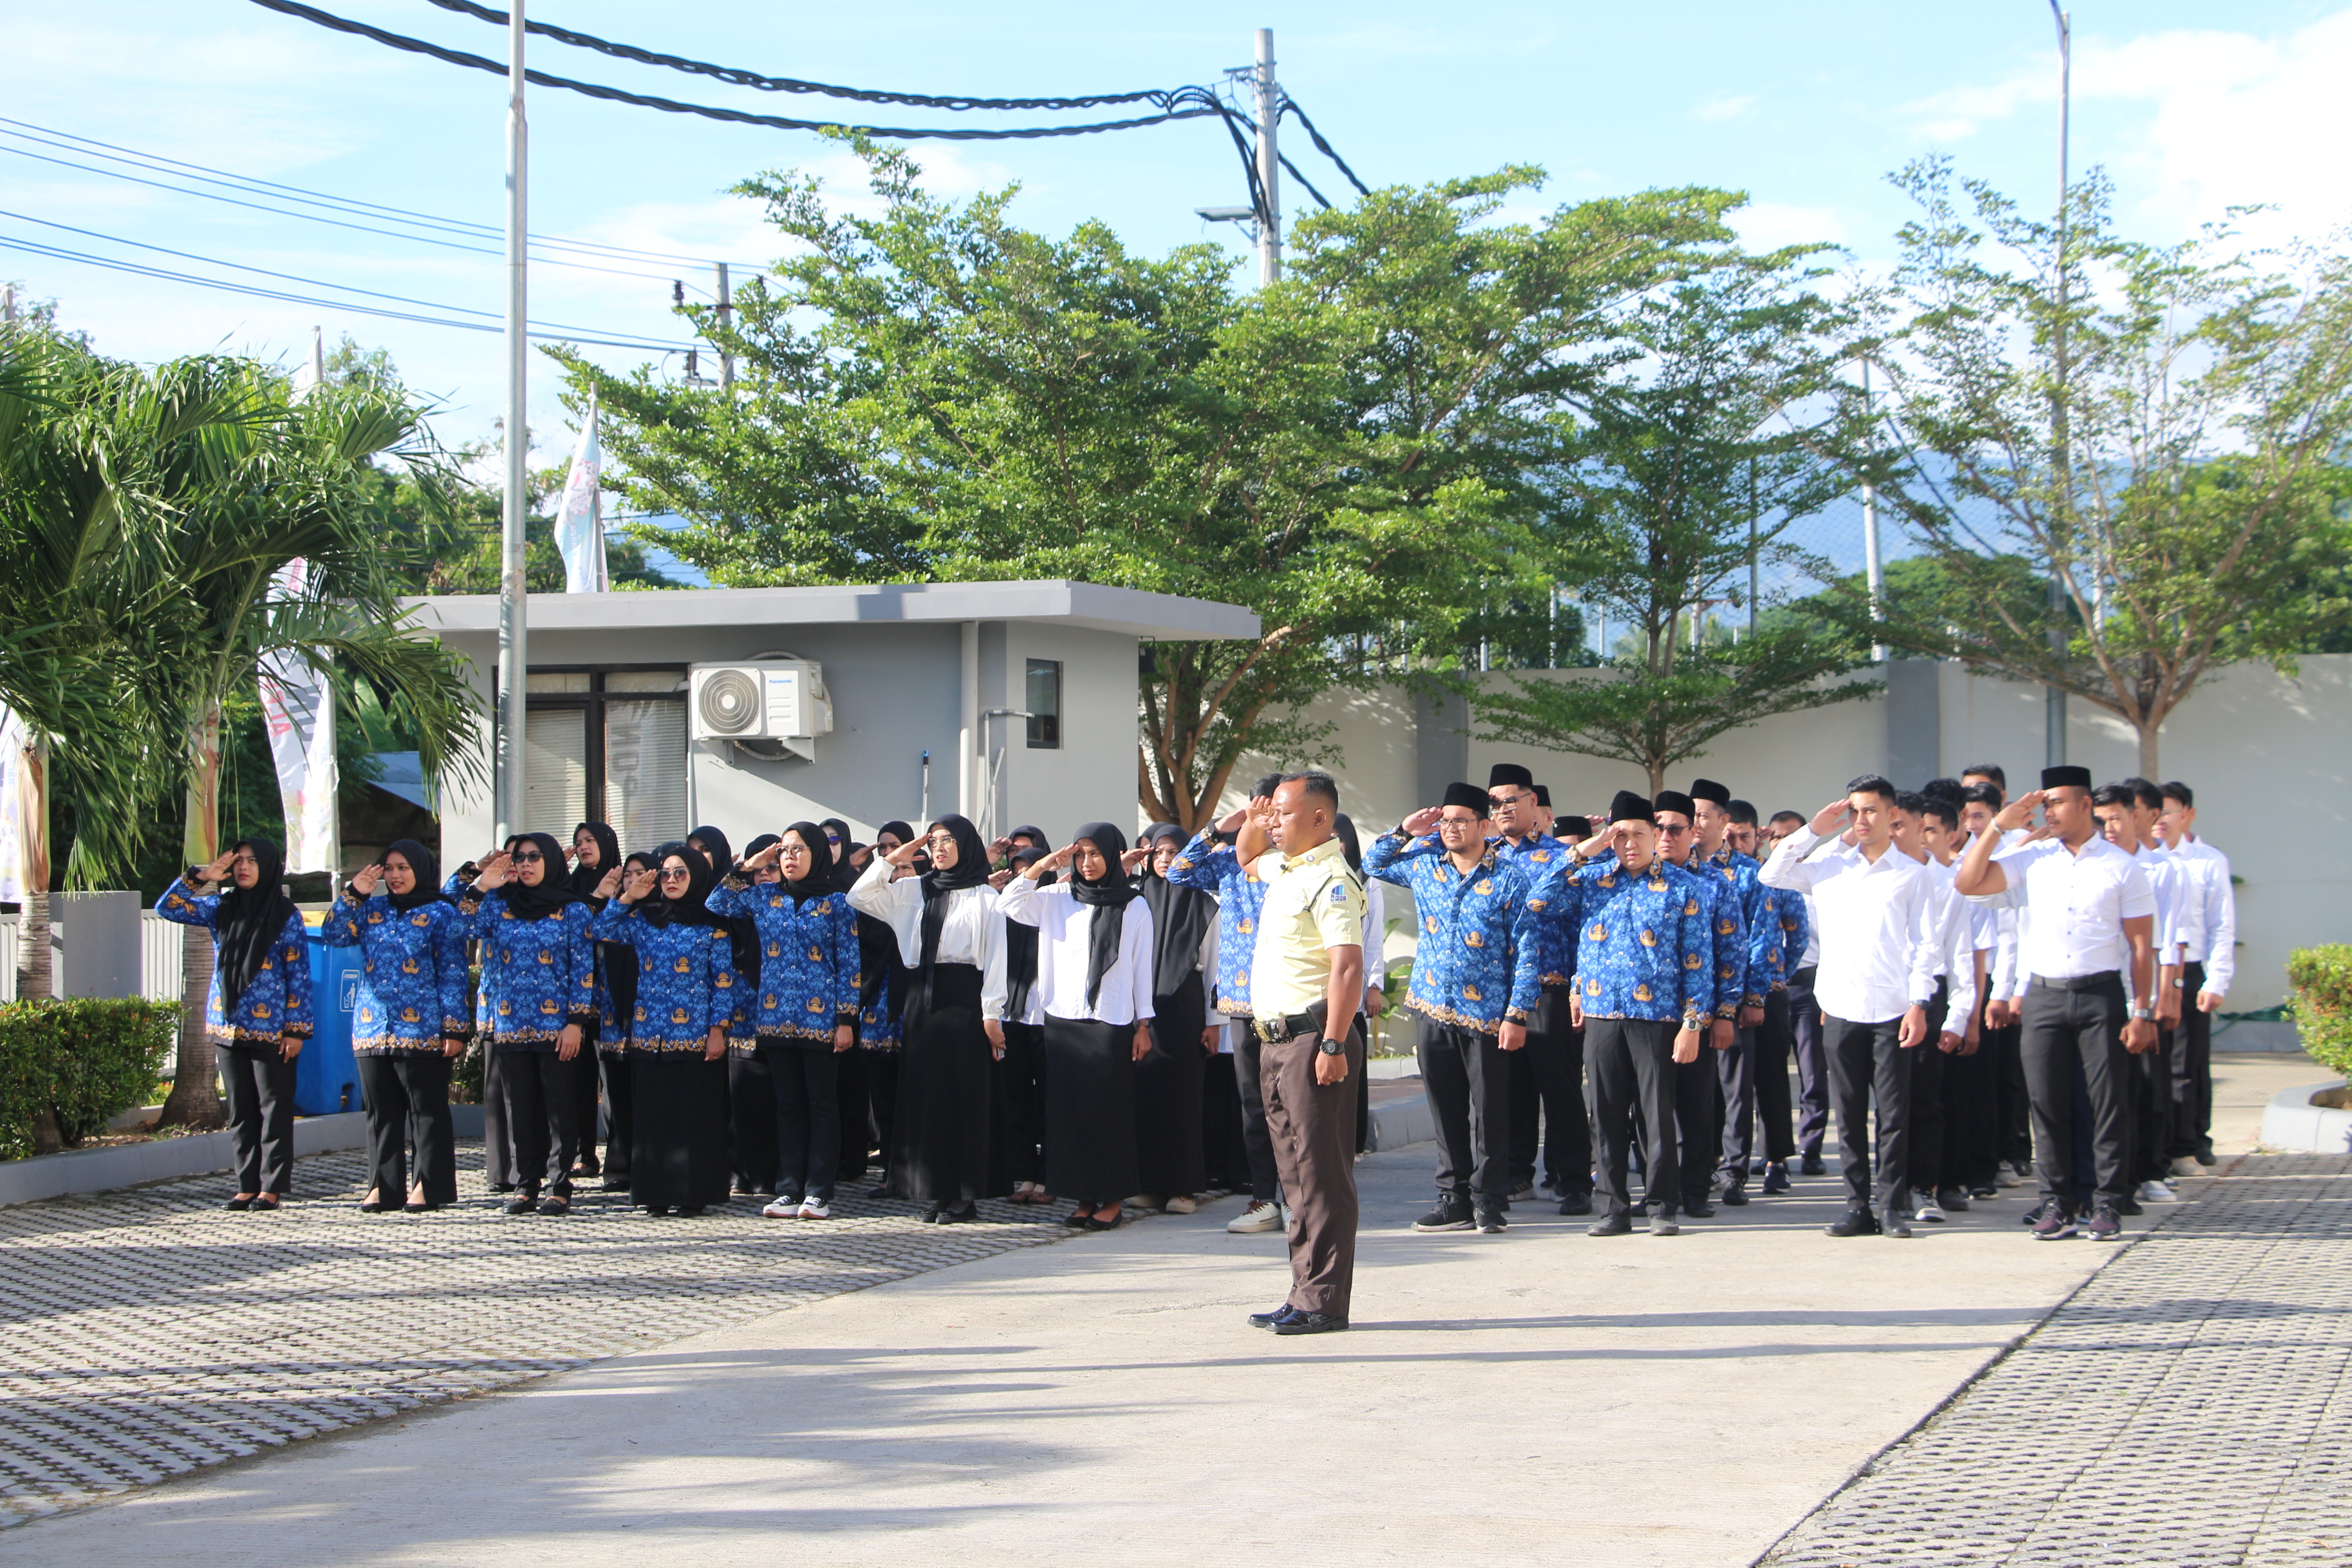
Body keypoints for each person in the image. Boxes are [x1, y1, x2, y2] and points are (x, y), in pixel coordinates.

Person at [1953, 767, 2160, 1242]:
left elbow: (2142, 946)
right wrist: (2000, 829)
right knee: (2046, 1103)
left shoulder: (2121, 865)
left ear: (2086, 806)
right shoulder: (2033, 857)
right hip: (2045, 995)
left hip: (2100, 994)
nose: (2050, 812)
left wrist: (2142, 1010)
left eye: (2059, 803)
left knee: (2106, 1104)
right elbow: (1968, 882)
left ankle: (2106, 1202)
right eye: (2046, 805)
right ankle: (2056, 1203)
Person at [1761, 778, 1939, 1239]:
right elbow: (1772, 874)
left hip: (1894, 1008)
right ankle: (1857, 1206)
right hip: (1840, 1007)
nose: (1863, 821)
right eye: (1856, 812)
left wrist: (1920, 1004)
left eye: (1872, 812)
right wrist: (1814, 831)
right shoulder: (1828, 866)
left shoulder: (1913, 874)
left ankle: (1893, 1206)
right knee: (1850, 1113)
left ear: (1892, 815)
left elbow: (1925, 946)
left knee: (1894, 1116)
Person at [1528, 791, 1710, 1237]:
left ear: (1655, 836)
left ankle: (1663, 1205)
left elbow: (1697, 963)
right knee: (1605, 1115)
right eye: (1621, 834)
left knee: (1656, 1115)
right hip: (1602, 1015)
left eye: (1640, 834)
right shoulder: (1593, 881)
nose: (1630, 843)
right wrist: (1585, 849)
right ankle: (1613, 1207)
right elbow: (1538, 899)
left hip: (1658, 1018)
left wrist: (1693, 1024)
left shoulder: (1685, 888)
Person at [1365, 782, 1540, 1236]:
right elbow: (1372, 863)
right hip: (1432, 1008)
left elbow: (1528, 949)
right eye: (1445, 821)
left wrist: (1518, 1013)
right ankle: (1453, 1197)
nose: (1450, 828)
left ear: (1484, 825)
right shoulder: (1424, 865)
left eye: (1461, 821)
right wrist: (1404, 830)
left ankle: (1490, 1199)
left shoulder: (1510, 878)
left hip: (1486, 1016)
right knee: (1445, 1111)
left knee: (1491, 1111)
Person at [1241, 771, 1367, 1336]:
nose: (1274, 825)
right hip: (1275, 1041)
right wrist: (1254, 819)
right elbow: (1247, 857)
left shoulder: (1332, 879)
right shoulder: (1289, 869)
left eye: (1284, 815)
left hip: (1314, 1040)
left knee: (1322, 1177)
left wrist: (1334, 1043)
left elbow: (1347, 967)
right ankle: (1303, 1291)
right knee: (1293, 1178)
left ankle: (1324, 1302)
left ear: (1321, 818)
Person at [851, 815, 1008, 1223]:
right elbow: (860, 896)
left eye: (948, 840)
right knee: (927, 1098)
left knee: (962, 1098)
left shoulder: (985, 898)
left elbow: (995, 960)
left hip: (964, 1003)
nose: (939, 848)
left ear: (967, 845)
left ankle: (964, 1195)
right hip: (921, 1002)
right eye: (934, 841)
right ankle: (937, 1190)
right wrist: (893, 860)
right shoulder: (913, 891)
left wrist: (992, 1014)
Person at [1000, 825, 1157, 1228]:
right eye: (1080, 854)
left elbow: (1142, 969)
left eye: (1095, 854)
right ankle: (1083, 1198)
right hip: (1064, 1020)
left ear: (1112, 854)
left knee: (1108, 1114)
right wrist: (1045, 865)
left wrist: (1144, 1024)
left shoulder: (1134, 905)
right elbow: (1010, 904)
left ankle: (1112, 1201)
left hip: (1112, 1020)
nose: (1087, 863)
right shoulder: (1056, 897)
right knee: (1068, 1116)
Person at [157, 838, 314, 1211]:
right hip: (227, 1026)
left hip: (274, 1029)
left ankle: (271, 1187)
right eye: (239, 861)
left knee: (274, 1108)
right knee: (240, 1109)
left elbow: (299, 975)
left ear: (270, 866)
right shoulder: (221, 907)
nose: (244, 867)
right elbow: (168, 907)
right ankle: (246, 1185)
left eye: (253, 861)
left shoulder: (285, 914)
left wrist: (296, 1030)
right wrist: (201, 876)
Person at [716, 825, 861, 1219]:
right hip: (776, 1018)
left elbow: (850, 964)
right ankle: (788, 1189)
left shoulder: (837, 902)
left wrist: (846, 1020)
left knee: (821, 1104)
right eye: (785, 851)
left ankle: (818, 1192)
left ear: (816, 853)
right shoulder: (766, 898)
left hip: (822, 1021)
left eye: (799, 850)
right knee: (788, 1105)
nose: (791, 857)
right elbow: (718, 903)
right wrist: (751, 866)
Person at [1165, 778, 1287, 1236]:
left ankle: (1299, 1196)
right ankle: (1264, 1198)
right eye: (1261, 813)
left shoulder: (1300, 864)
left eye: (1276, 813)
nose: (1268, 822)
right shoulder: (1229, 865)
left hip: (1291, 1000)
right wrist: (1222, 827)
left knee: (1294, 1102)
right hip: (1241, 1002)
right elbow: (1177, 870)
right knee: (1254, 1103)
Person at [324, 839, 467, 1212]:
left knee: (426, 1109)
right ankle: (382, 1187)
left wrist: (454, 1028)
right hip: (372, 1025)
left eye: (404, 868)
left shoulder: (441, 912)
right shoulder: (371, 910)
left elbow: (453, 972)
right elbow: (333, 934)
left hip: (424, 1028)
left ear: (419, 869)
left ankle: (428, 1185)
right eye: (389, 868)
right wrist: (354, 894)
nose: (396, 875)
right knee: (381, 1111)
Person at [592, 844, 736, 1215]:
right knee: (654, 1119)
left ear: (697, 877)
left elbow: (723, 982)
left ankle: (693, 1193)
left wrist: (718, 1029)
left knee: (693, 1119)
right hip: (649, 1037)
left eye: (681, 873)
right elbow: (602, 929)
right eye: (666, 874)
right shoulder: (645, 920)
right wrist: (629, 896)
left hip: (695, 1039)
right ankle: (655, 1192)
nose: (672, 881)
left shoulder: (712, 927)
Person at [459, 833, 598, 1215]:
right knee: (520, 1107)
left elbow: (583, 971)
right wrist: (481, 887)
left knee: (559, 1107)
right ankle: (527, 1184)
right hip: (510, 1025)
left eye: (535, 857)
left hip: (557, 1029)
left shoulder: (573, 910)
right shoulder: (500, 905)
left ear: (551, 861)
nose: (526, 864)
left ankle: (560, 1184)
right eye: (519, 858)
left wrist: (575, 1023)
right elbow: (460, 929)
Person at [1485, 764, 1588, 1214]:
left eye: (1510, 800)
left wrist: (1579, 985)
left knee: (1559, 1086)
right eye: (1494, 803)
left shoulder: (1562, 857)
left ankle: (1572, 1179)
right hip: (1496, 992)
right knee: (1508, 1088)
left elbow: (1585, 925)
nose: (1502, 810)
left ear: (1534, 804)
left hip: (1549, 987)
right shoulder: (1483, 855)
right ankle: (1514, 1174)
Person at [2097, 780, 2199, 1208]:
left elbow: (2173, 934)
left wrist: (2169, 992)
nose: (2114, 827)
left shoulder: (2163, 869)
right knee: (2109, 1091)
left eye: (2123, 815)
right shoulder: (2093, 865)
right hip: (2103, 989)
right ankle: (2112, 1177)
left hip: (2146, 990)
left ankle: (2150, 1169)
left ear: (2141, 817)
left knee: (2148, 1087)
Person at [1686, 778, 1779, 1211]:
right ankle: (1699, 1166)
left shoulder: (1746, 873)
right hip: (1684, 1004)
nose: (1697, 823)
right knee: (1693, 1090)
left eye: (1705, 815)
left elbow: (1761, 941)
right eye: (1693, 814)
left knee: (1735, 1088)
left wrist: (1753, 998)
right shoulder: (1673, 870)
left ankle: (1734, 1171)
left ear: (1725, 822)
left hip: (1732, 1000)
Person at [1898, 790, 1987, 1225]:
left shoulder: (1949, 884)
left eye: (1904, 825)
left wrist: (1958, 1016)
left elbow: (1960, 957)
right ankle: (1884, 1191)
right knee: (1885, 1106)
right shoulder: (1869, 876)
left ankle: (1923, 1187)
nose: (1896, 833)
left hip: (1927, 1004)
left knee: (1925, 1102)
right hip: (1876, 1003)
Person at [1133, 822, 1216, 1215]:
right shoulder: (1136, 898)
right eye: (1158, 853)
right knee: (1146, 1095)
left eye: (1173, 852)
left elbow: (1214, 965)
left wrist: (1213, 1021)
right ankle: (1150, 1183)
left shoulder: (1203, 900)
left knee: (1183, 1097)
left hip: (1185, 1005)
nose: (1165, 860)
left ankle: (1183, 1188)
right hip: (1142, 1005)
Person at [1724, 801, 1807, 1195]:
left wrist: (1780, 976)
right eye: (1731, 836)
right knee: (1731, 1083)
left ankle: (1776, 1160)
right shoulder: (1713, 875)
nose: (1737, 843)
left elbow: (1799, 933)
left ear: (1757, 836)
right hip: (1726, 996)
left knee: (1771, 1079)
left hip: (1769, 994)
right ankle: (1730, 1163)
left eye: (1745, 836)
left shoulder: (1771, 875)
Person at [2156, 782, 2233, 1172]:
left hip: (2192, 969)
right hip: (2152, 971)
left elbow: (2222, 925)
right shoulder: (2142, 860)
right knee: (2157, 1062)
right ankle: (2163, 1143)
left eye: (2168, 812)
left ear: (2188, 814)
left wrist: (2217, 980)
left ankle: (2189, 1142)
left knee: (2188, 1063)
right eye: (2156, 812)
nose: (2161, 820)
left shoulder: (2207, 861)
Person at [844, 820, 912, 1192]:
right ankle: (889, 1171)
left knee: (911, 1096)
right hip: (875, 1008)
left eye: (898, 850)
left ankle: (913, 1171)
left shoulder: (921, 897)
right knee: (882, 1095)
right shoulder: (874, 898)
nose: (890, 857)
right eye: (883, 849)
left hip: (911, 1011)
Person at [565, 822, 622, 1181]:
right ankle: (583, 1154)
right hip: (575, 1002)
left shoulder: (623, 885)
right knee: (577, 1082)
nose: (584, 847)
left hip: (610, 999)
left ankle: (618, 1157)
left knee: (612, 1082)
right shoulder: (569, 887)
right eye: (578, 843)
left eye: (589, 841)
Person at [996, 843, 1053, 1204]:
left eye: (1029, 870)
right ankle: (1023, 1176)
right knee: (1016, 1097)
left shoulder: (1053, 908)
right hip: (1011, 1015)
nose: (1022, 877)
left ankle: (1048, 1177)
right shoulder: (1006, 915)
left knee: (1049, 1100)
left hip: (1049, 1017)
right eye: (1016, 871)